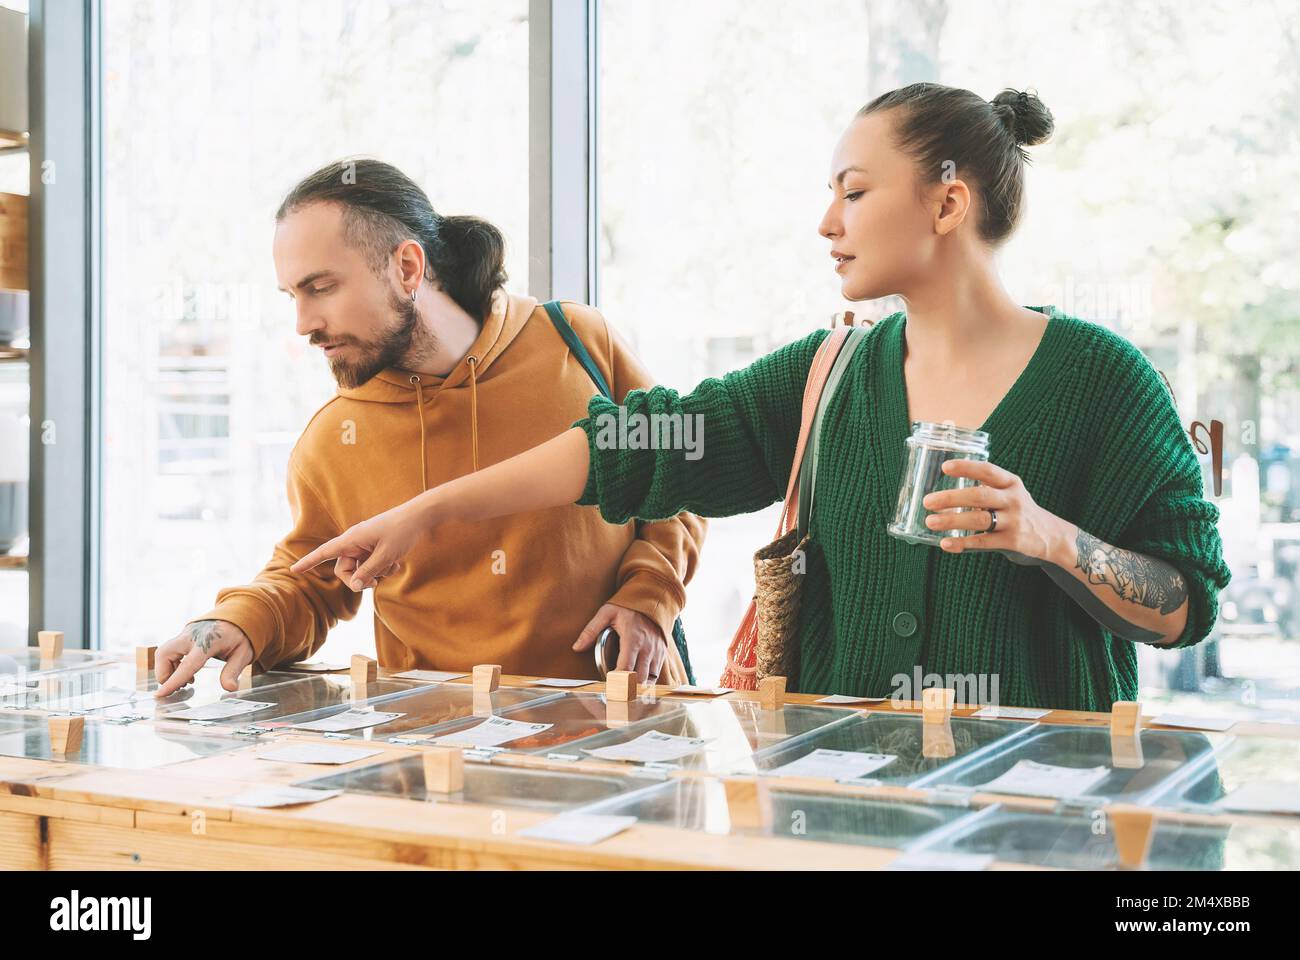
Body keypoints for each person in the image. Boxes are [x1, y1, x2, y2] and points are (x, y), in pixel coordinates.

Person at [290, 85, 1231, 711]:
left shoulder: (1105, 380)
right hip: (841, 821)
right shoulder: (831, 373)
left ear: (949, 204)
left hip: (1039, 828)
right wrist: (431, 510)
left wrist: (1050, 539)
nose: (828, 221)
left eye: (856, 192)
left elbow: (1185, 605)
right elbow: (640, 445)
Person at [153, 159, 706, 698]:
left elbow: (677, 476)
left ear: (408, 268)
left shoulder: (578, 342)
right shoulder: (333, 438)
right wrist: (237, 622)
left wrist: (648, 596)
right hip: (438, 758)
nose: (303, 325)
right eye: (292, 296)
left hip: (628, 734)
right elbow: (308, 582)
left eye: (320, 288)